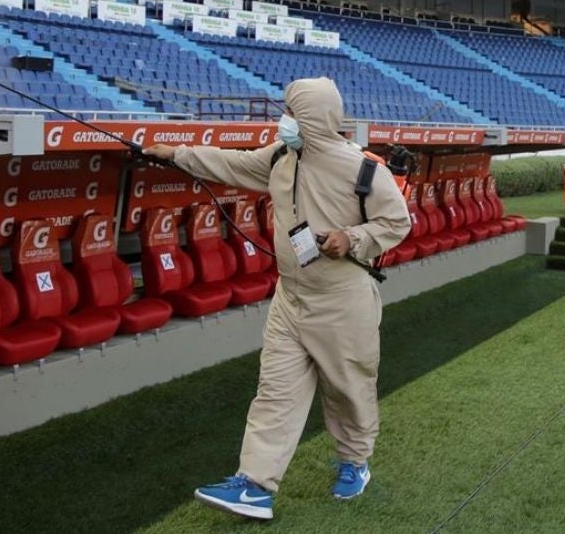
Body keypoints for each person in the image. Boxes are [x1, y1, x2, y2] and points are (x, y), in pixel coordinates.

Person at [143, 77, 411, 521]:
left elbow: (396, 222)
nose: (283, 120)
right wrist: (176, 154)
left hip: (342, 300)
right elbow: (233, 164)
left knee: (349, 390)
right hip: (290, 296)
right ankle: (254, 485)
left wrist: (351, 237)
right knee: (275, 390)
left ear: (313, 117)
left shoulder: (365, 171)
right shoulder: (282, 156)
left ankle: (354, 462)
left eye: (291, 111)